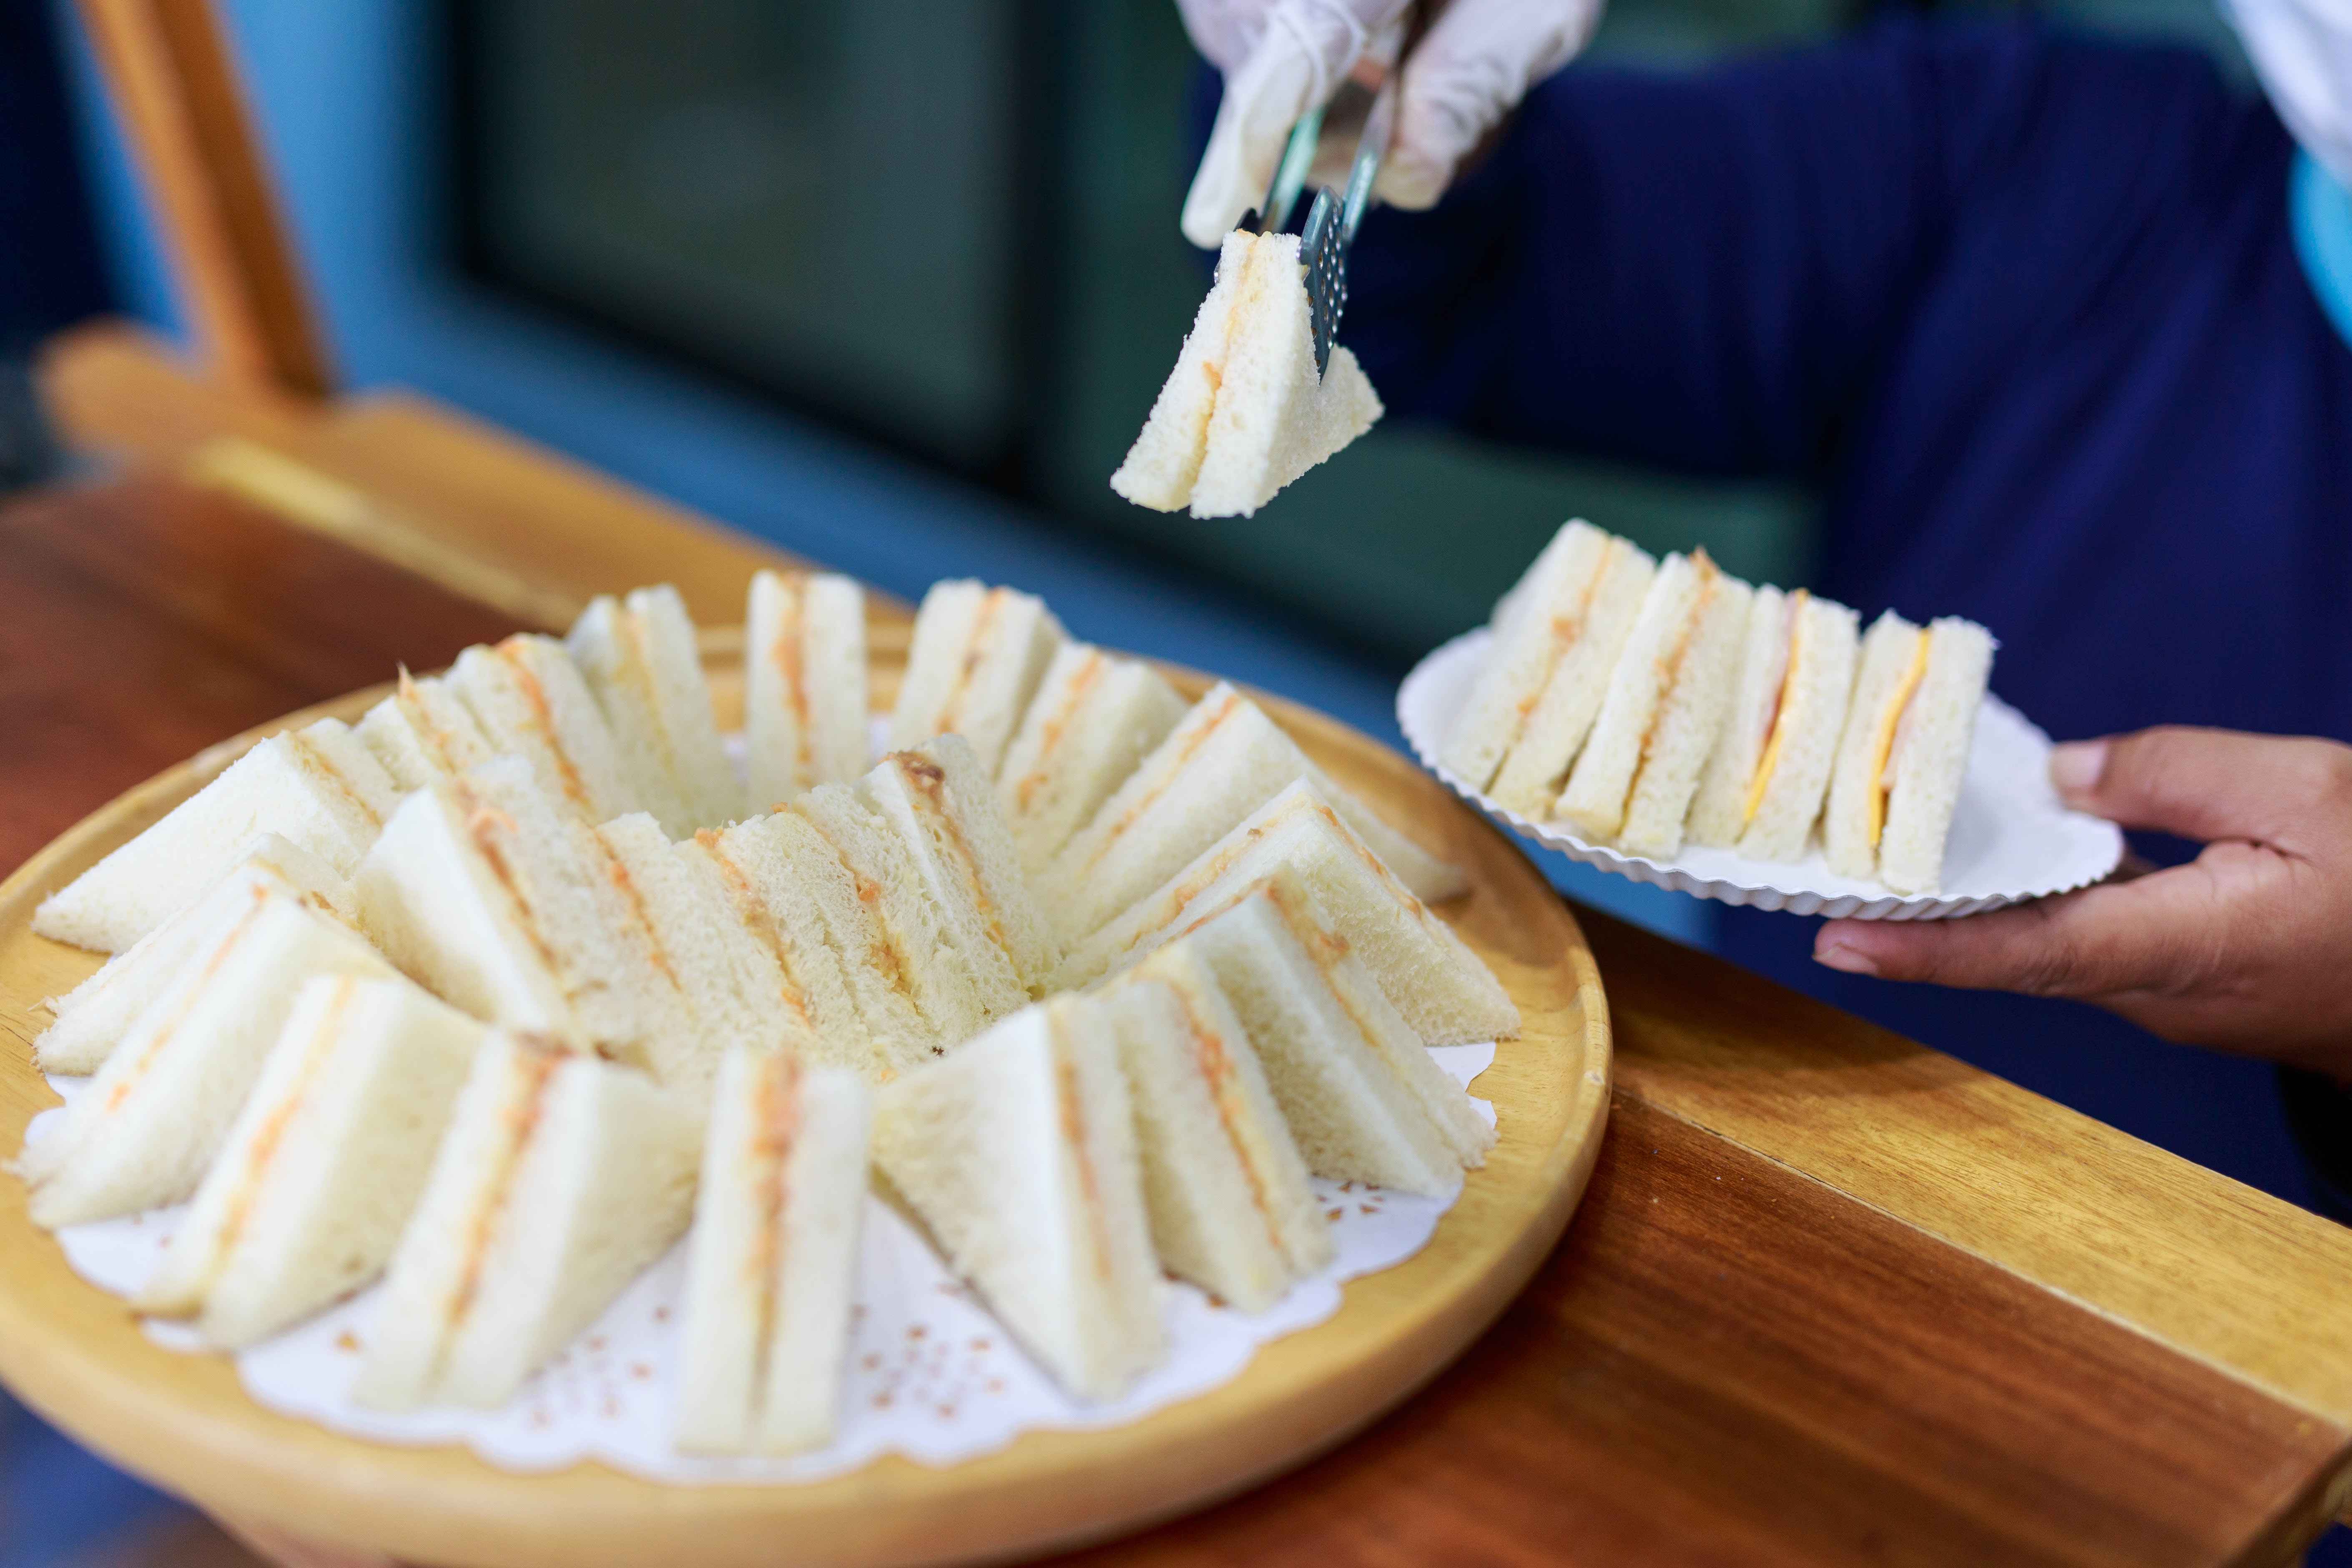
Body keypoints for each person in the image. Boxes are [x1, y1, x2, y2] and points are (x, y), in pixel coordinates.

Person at [1175, 0, 2352, 1211]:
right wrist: (1354, 90)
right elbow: (1406, 303)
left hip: (2227, 1309)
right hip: (1714, 1206)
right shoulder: (2054, 157)